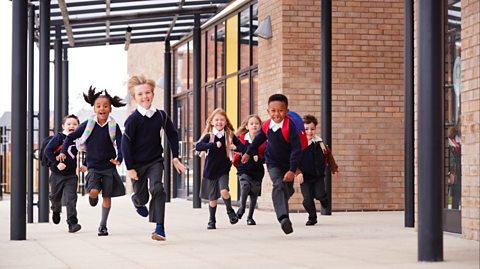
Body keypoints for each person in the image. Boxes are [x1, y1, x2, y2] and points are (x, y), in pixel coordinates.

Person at [122, 75, 186, 241]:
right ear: (135, 98)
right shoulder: (132, 120)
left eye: (147, 93)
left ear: (153, 94)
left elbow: (172, 134)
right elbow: (125, 145)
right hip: (136, 164)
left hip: (155, 161)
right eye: (140, 94)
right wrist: (129, 168)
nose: (145, 96)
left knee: (157, 188)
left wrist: (175, 157)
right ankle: (137, 201)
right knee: (142, 196)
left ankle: (159, 227)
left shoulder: (161, 116)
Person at [59, 86, 126, 236]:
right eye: (98, 106)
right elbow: (70, 136)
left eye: (105, 106)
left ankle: (103, 225)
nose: (102, 108)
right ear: (94, 108)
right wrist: (63, 151)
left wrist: (119, 158)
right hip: (93, 166)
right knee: (95, 191)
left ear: (110, 109)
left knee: (107, 197)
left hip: (109, 166)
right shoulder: (88, 124)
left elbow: (121, 144)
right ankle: (92, 196)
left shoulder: (113, 125)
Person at [241, 94, 302, 235]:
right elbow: (257, 141)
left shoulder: (290, 127)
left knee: (286, 189)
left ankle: (285, 194)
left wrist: (292, 170)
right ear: (268, 111)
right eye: (273, 111)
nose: (277, 114)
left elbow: (297, 149)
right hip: (272, 162)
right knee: (278, 184)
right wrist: (248, 153)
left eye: (280, 110)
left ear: (287, 111)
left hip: (288, 163)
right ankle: (284, 219)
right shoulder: (267, 125)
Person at [195, 108, 245, 229]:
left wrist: (235, 147)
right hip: (210, 171)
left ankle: (230, 211)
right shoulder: (209, 136)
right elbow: (198, 146)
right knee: (213, 199)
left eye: (222, 120)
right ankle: (212, 220)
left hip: (223, 170)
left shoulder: (230, 136)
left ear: (226, 122)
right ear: (212, 122)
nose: (219, 122)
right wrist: (213, 145)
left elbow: (243, 147)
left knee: (224, 191)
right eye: (216, 120)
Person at [44, 114, 84, 233]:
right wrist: (57, 164)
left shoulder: (79, 139)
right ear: (63, 126)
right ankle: (56, 210)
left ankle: (72, 223)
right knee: (55, 197)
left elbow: (88, 150)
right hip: (57, 174)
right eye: (69, 124)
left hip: (71, 175)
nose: (72, 126)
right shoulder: (59, 137)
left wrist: (86, 164)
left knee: (71, 199)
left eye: (75, 124)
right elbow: (48, 151)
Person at [295, 114, 330, 226]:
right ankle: (312, 217)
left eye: (312, 129)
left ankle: (323, 199)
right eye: (306, 129)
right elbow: (292, 161)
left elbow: (328, 156)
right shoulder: (298, 145)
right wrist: (298, 172)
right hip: (305, 177)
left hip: (318, 176)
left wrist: (334, 168)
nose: (309, 131)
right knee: (307, 200)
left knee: (319, 194)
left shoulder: (319, 142)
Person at [234, 115, 266, 225]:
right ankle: (242, 208)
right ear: (247, 126)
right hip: (244, 168)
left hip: (257, 170)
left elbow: (268, 156)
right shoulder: (242, 139)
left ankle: (250, 217)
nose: (254, 125)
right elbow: (236, 148)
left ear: (260, 126)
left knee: (254, 194)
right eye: (251, 123)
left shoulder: (264, 140)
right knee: (245, 186)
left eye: (257, 123)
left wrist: (260, 158)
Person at [447, 125, 461, 209]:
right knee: (456, 192)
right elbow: (450, 158)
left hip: (464, 168)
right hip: (456, 169)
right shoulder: (451, 140)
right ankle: (454, 211)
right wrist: (452, 172)